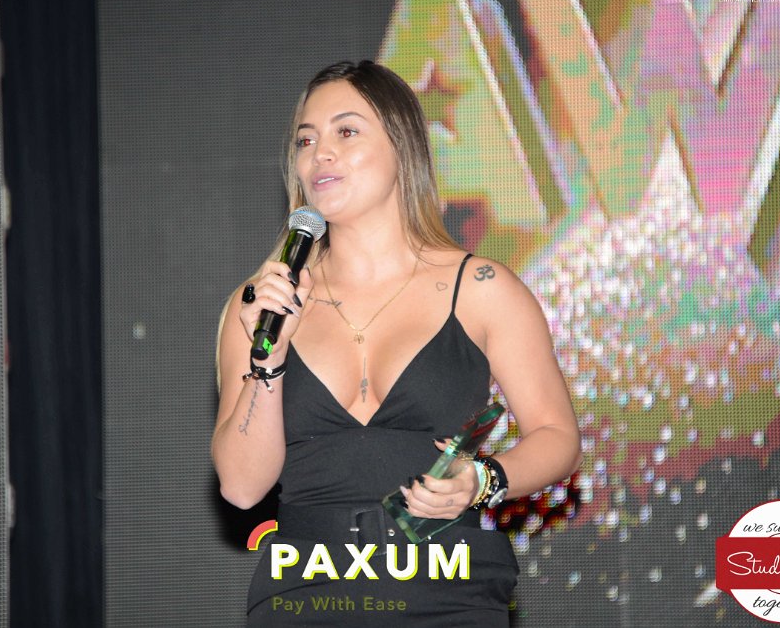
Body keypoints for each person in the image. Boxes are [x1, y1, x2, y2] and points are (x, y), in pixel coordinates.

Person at [212, 60, 581, 626]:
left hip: (449, 593)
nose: (320, 153)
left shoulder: (482, 289)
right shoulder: (260, 304)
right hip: (306, 596)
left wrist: (482, 480)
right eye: (306, 140)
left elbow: (557, 437)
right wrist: (269, 362)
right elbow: (241, 488)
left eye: (346, 131)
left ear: (402, 146)